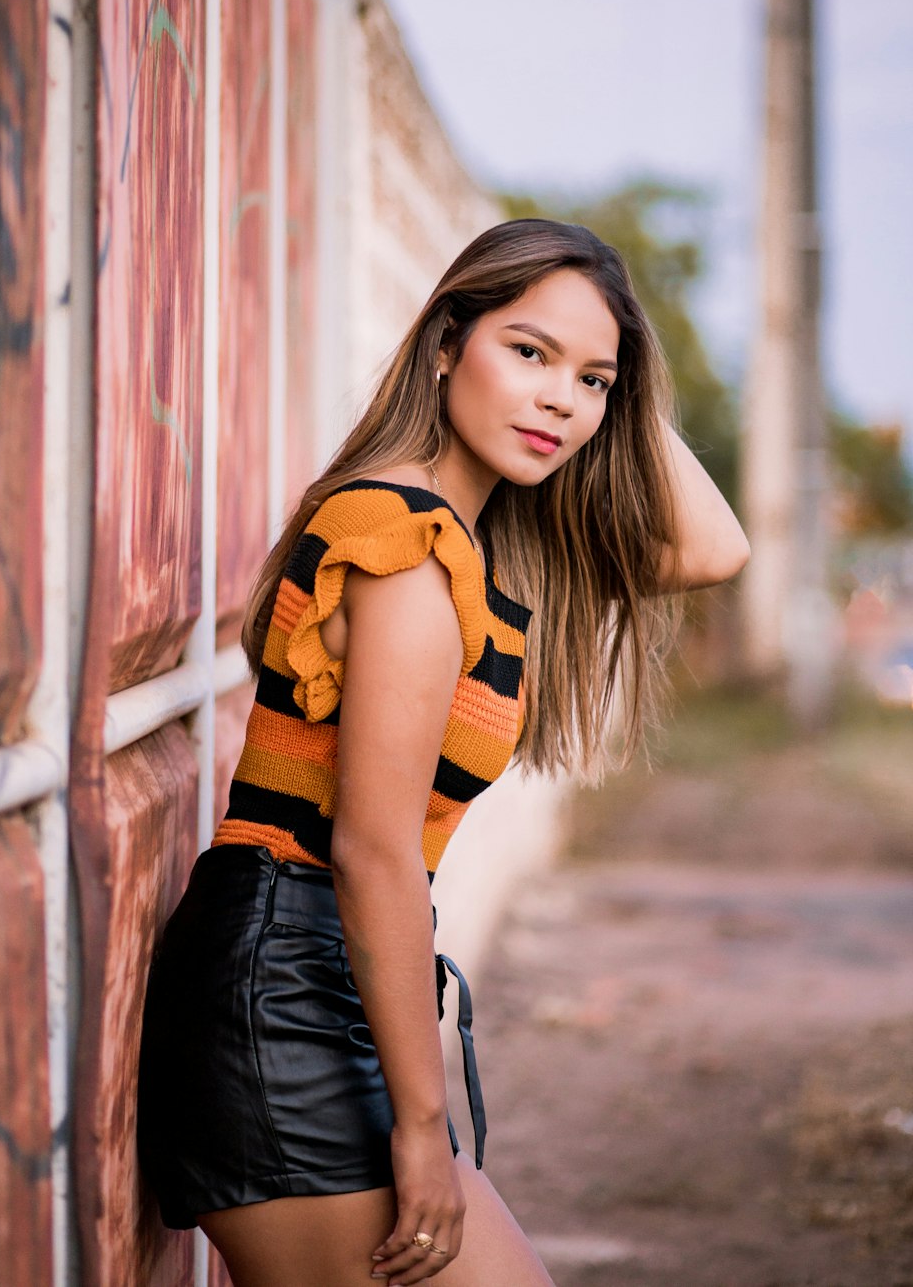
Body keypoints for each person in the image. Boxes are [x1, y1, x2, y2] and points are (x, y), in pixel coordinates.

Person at [136, 217, 751, 1286]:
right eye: (528, 352)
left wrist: (632, 382)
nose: (562, 398)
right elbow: (372, 849)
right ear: (443, 344)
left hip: (327, 978)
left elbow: (712, 551)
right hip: (281, 987)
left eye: (591, 380)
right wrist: (423, 1131)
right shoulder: (401, 546)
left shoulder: (488, 551)